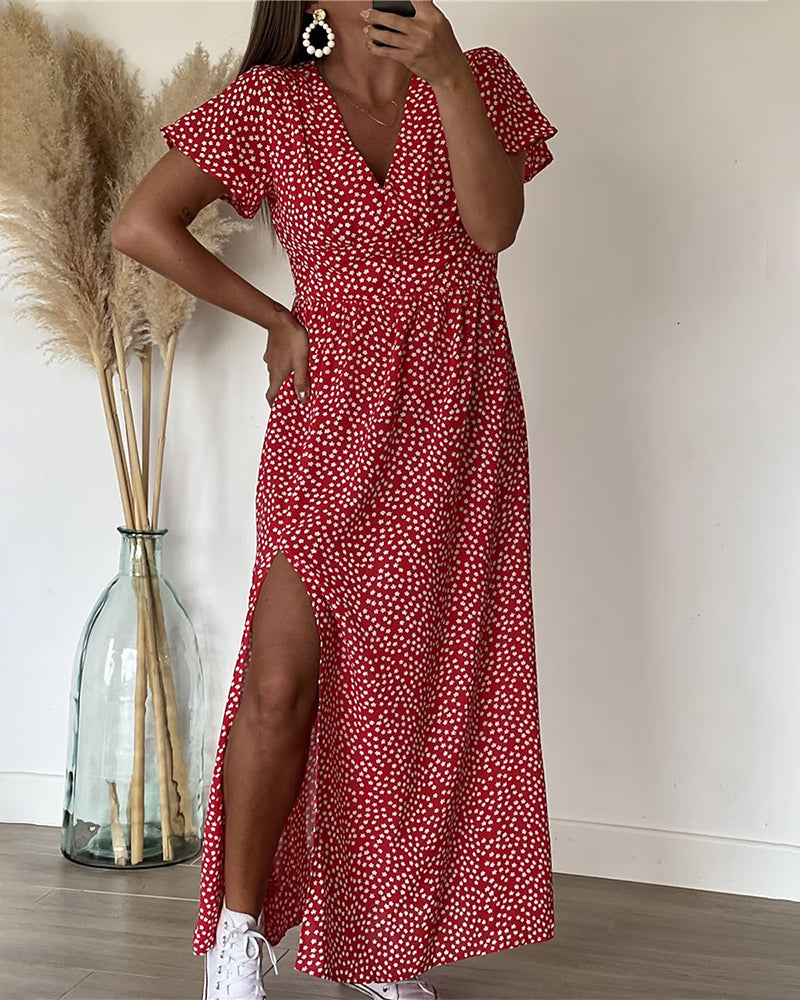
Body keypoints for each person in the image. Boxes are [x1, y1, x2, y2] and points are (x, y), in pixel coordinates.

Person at [111, 1, 558, 998]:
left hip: (457, 418)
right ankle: (237, 935)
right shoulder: (272, 103)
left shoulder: (478, 77)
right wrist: (276, 318)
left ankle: (378, 944)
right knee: (280, 686)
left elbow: (494, 228)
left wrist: (448, 76)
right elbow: (139, 224)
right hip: (332, 418)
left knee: (411, 688)